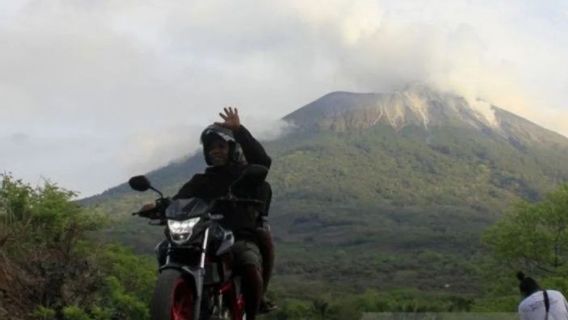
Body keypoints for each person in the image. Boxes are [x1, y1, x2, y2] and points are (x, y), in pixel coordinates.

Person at [172, 107, 275, 319]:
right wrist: (157, 206)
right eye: (211, 148)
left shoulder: (246, 175)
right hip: (204, 236)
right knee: (167, 248)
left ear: (232, 148)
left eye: (221, 146)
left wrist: (239, 130)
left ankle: (252, 312)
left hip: (238, 235)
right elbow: (179, 199)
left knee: (247, 261)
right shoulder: (200, 180)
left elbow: (263, 163)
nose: (216, 151)